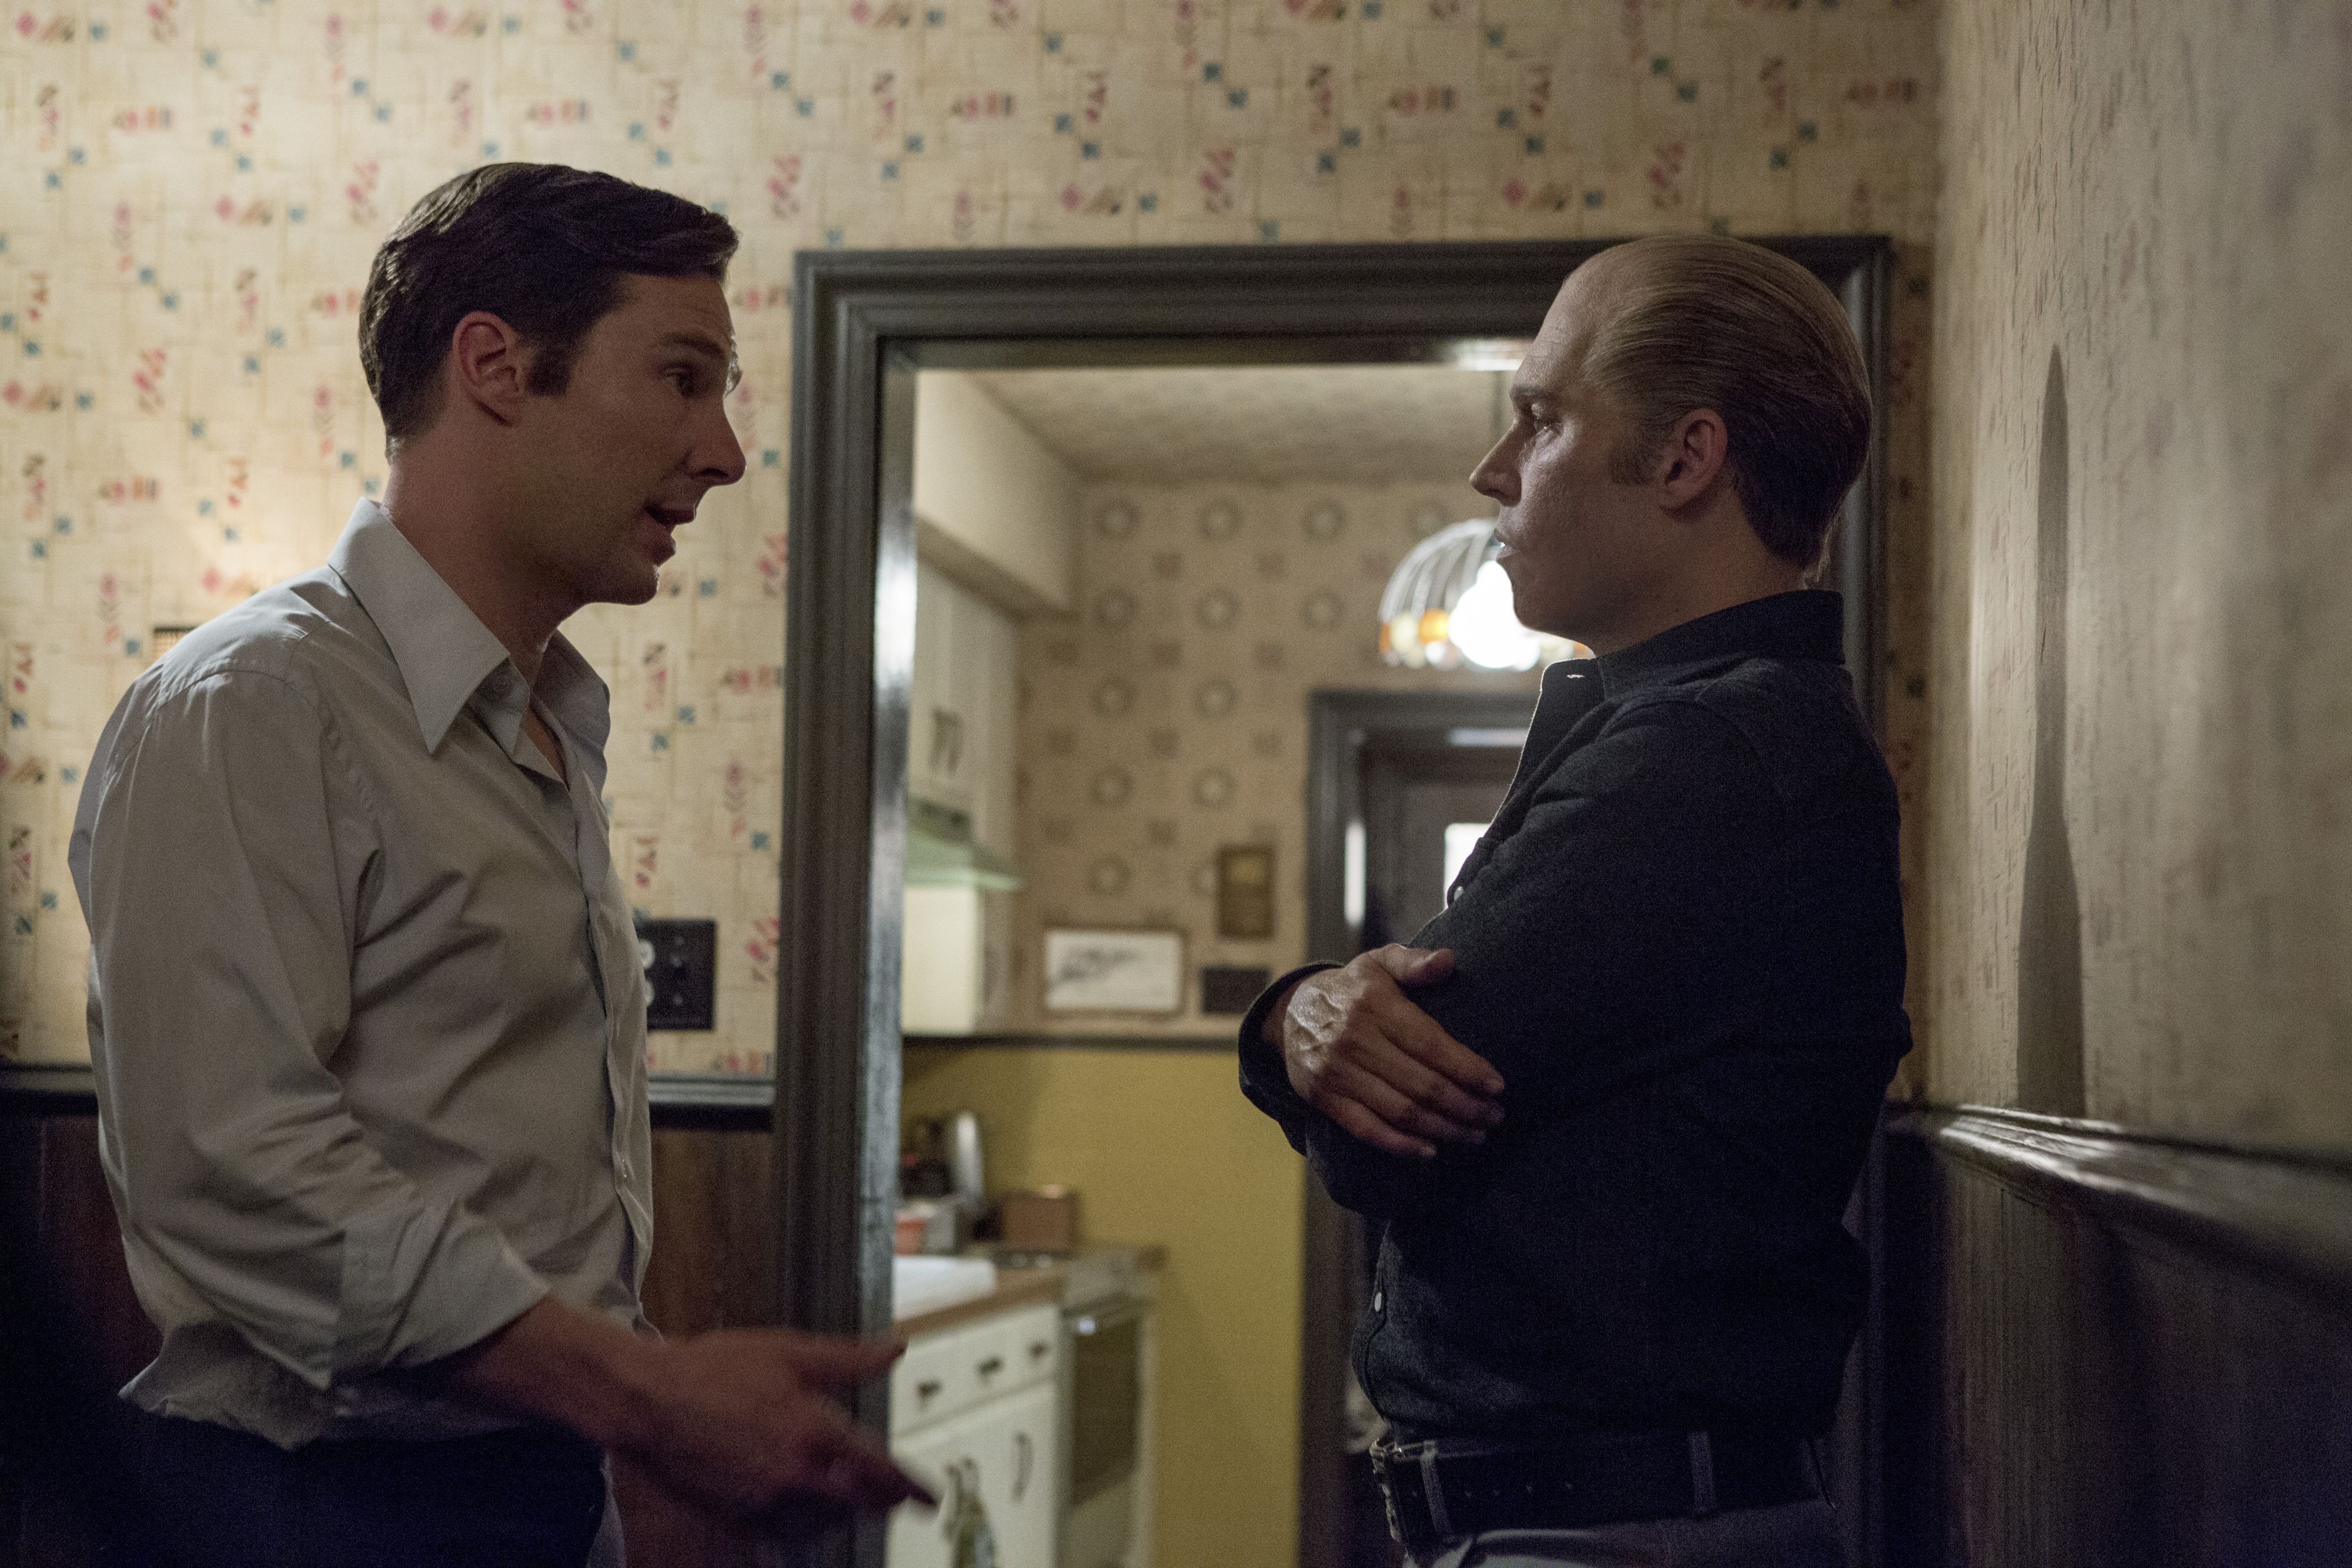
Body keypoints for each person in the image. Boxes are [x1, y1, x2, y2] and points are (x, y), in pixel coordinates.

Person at [68, 163, 927, 1567]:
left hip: (531, 1491)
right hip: (308, 1514)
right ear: (495, 365)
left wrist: (621, 1441)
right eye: (682, 376)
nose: (724, 451)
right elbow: (232, 1164)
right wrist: (645, 1396)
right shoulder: (254, 702)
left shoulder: (546, 721)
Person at [1239, 235, 1910, 1567]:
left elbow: (1376, 1141)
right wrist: (1295, 1013)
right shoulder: (1698, 731)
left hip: (1610, 1530)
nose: (1492, 470)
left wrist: (1292, 1024)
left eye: (1540, 419)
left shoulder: (1709, 753)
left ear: (1685, 458)